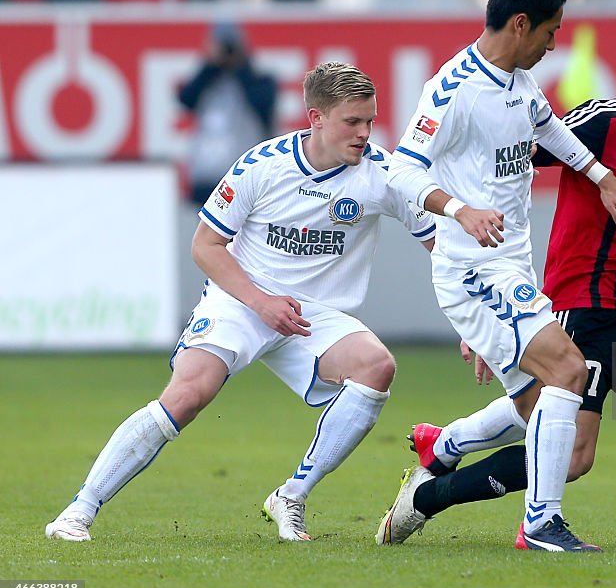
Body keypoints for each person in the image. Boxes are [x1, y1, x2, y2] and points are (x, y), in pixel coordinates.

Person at [380, 30, 616, 552]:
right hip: (579, 309)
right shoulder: (603, 121)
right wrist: (486, 292)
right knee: (572, 456)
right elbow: (506, 166)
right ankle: (429, 497)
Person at [44, 62, 436, 542]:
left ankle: (291, 496)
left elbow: (438, 245)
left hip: (310, 316)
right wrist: (261, 301)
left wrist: (473, 322)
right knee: (189, 394)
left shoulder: (383, 174)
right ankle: (78, 511)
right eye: (352, 122)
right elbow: (205, 246)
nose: (364, 133)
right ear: (315, 117)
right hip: (241, 299)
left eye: (370, 121)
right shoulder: (262, 165)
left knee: (376, 367)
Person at [382, 0, 616, 553]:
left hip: (508, 270)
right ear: (522, 24)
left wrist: (606, 178)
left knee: (552, 430)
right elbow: (397, 171)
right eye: (553, 30)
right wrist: (459, 211)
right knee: (569, 371)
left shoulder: (520, 86)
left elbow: (550, 129)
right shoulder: (451, 89)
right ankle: (540, 525)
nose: (556, 42)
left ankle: (445, 447)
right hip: (472, 268)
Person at [178, 21, 278, 204]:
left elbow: (263, 103)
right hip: (206, 175)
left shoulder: (258, 81)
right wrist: (210, 66)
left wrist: (241, 66)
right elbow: (185, 99)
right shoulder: (207, 81)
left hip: (245, 176)